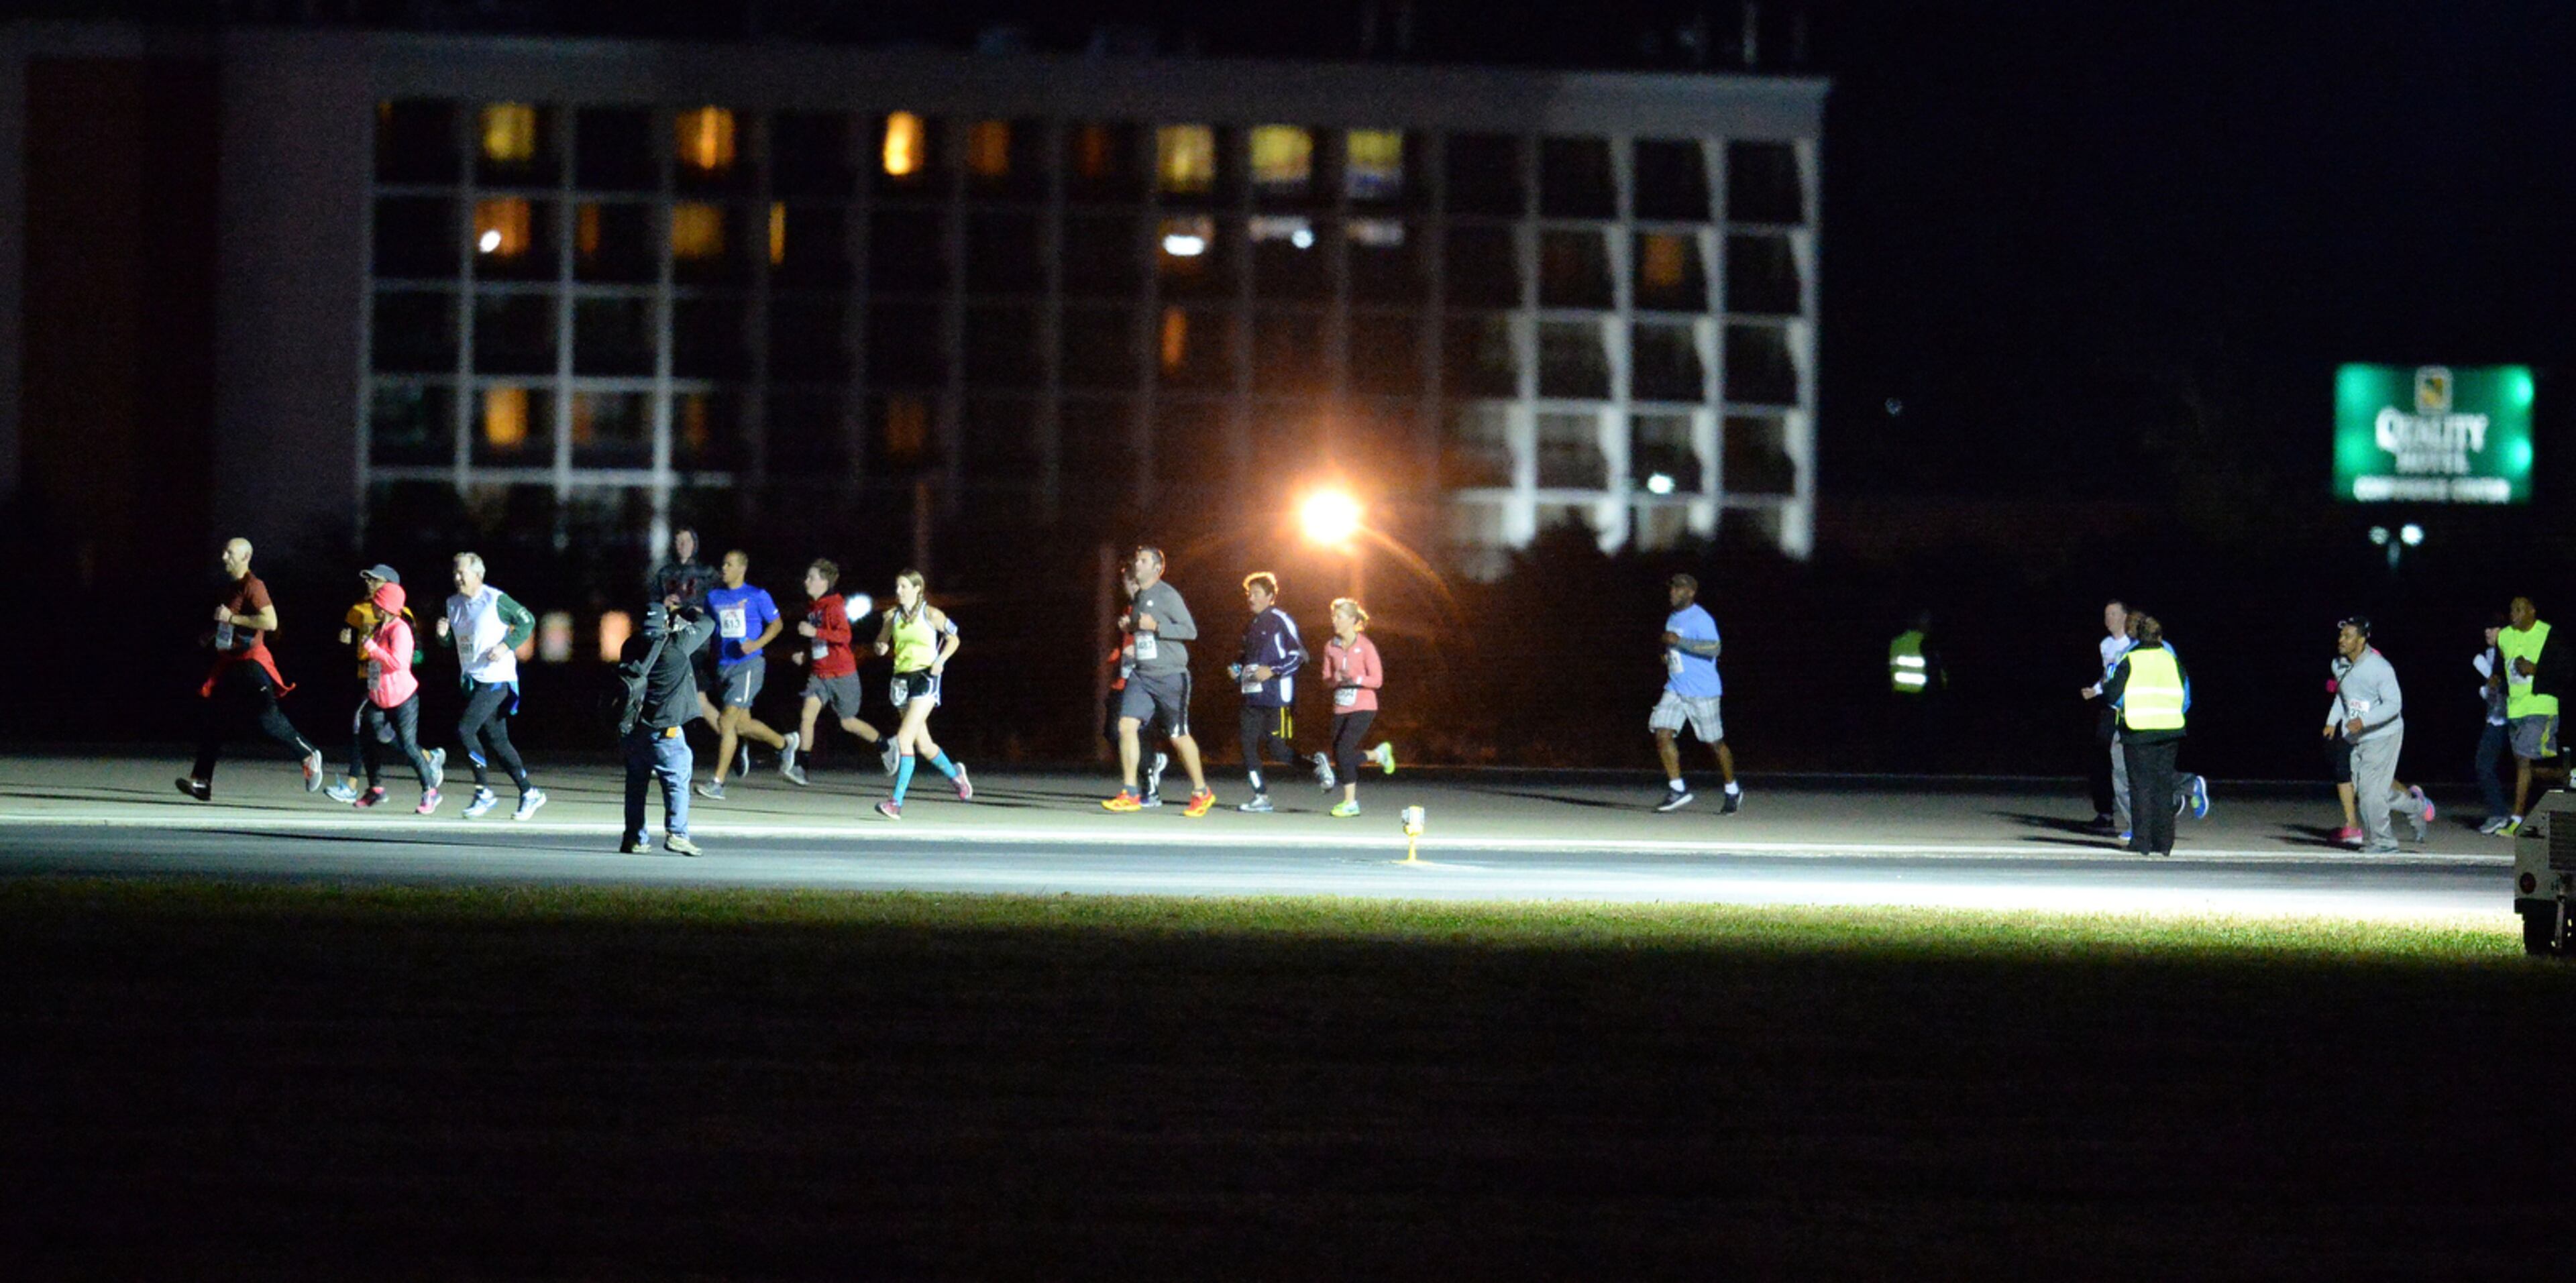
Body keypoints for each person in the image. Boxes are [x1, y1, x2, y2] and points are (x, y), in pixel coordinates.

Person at [179, 537, 325, 800]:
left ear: (246, 557)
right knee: (213, 722)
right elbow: (230, 622)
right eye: (224, 552)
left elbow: (270, 621)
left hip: (252, 663)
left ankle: (308, 753)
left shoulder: (254, 586)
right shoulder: (232, 588)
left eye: (230, 553)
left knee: (267, 719)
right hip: (232, 665)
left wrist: (231, 618)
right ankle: (201, 781)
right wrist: (212, 634)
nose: (224, 557)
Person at [1100, 545, 1215, 816]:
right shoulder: (1140, 596)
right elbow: (1143, 633)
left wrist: (1157, 627)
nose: (1136, 565)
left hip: (1170, 675)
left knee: (1178, 736)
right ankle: (1130, 792)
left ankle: (1202, 791)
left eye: (1142, 561)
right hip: (1142, 674)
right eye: (1136, 560)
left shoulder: (1167, 595)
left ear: (1156, 568)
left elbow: (1190, 631)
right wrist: (1131, 627)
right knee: (1125, 726)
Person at [436, 552, 546, 820]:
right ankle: (529, 792)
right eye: (455, 572)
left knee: (465, 729)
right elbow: (457, 642)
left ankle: (483, 791)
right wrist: (443, 638)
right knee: (498, 741)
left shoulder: (495, 600)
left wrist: (506, 645)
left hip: (498, 678)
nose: (457, 577)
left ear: (478, 575)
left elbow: (528, 620)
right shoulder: (452, 604)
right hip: (474, 680)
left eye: (462, 572)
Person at [326, 565, 444, 803]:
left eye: (374, 580)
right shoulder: (358, 609)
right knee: (370, 730)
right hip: (370, 676)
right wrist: (346, 642)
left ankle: (353, 785)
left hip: (395, 682)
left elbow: (411, 654)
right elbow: (351, 639)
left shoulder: (402, 616)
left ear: (389, 587)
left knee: (372, 730)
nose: (368, 584)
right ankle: (375, 783)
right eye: (367, 580)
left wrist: (395, 658)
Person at [782, 559, 895, 786]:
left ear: (824, 582)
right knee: (807, 716)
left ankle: (885, 745)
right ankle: (802, 768)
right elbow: (818, 641)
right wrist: (805, 654)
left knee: (848, 722)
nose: (806, 581)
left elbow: (845, 636)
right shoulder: (813, 606)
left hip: (842, 674)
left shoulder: (834, 605)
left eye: (811, 577)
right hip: (819, 674)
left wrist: (815, 630)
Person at [694, 550, 795, 799]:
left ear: (742, 569)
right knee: (742, 725)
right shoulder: (714, 597)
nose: (724, 569)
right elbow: (708, 624)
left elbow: (778, 624)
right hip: (724, 666)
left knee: (726, 722)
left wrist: (756, 643)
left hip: (749, 665)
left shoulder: (757, 596)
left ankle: (718, 782)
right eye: (723, 564)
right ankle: (784, 744)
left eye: (729, 564)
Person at [870, 569, 971, 819]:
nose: (898, 592)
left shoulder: (931, 614)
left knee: (904, 737)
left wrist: (942, 660)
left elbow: (954, 638)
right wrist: (880, 646)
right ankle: (956, 776)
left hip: (925, 679)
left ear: (917, 589)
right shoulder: (892, 616)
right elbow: (881, 645)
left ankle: (896, 802)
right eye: (897, 587)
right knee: (924, 745)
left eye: (904, 587)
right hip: (901, 681)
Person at [617, 602, 714, 856]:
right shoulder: (676, 645)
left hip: (634, 728)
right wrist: (685, 611)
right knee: (677, 781)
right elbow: (708, 624)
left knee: (636, 785)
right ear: (666, 625)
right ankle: (677, 835)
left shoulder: (630, 645)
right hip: (665, 729)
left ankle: (635, 838)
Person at [2322, 626, 2431, 844]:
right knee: (2370, 792)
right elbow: (2343, 696)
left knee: (2371, 793)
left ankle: (2383, 842)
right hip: (2357, 737)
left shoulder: (2379, 667)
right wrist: (2331, 721)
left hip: (2383, 734)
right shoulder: (2338, 664)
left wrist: (2364, 721)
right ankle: (2417, 807)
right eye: (2341, 635)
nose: (2341, 640)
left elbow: (2394, 705)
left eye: (2348, 636)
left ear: (2361, 640)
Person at [2100, 612, 2189, 856]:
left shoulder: (2131, 659)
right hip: (2170, 730)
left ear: (2138, 635)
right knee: (2163, 786)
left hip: (2138, 730)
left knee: (2141, 787)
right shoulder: (2171, 659)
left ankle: (2142, 842)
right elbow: (2186, 694)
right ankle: (2164, 843)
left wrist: (2128, 706)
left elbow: (2113, 695)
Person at [1652, 572, 1739, 814]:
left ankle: (1732, 789)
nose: (1673, 592)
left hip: (1702, 691)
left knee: (1714, 743)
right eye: (1671, 588)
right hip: (1676, 687)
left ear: (1690, 592)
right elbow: (1674, 646)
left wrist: (1680, 642)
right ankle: (1678, 789)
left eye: (1678, 589)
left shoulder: (1701, 618)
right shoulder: (1673, 617)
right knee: (1662, 733)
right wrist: (1668, 655)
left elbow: (1714, 649)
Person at [1232, 572, 1313, 814]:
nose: (1251, 598)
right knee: (1247, 745)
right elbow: (1244, 658)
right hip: (1252, 697)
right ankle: (1260, 795)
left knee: (1277, 749)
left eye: (1256, 594)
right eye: (1249, 594)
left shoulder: (1280, 619)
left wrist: (1274, 671)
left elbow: (1300, 656)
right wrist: (1236, 669)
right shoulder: (1251, 625)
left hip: (1277, 697)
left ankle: (1316, 768)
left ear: (1270, 596)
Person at [1318, 598, 1395, 818]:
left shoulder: (1366, 646)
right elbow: (1326, 680)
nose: (1334, 620)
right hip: (1341, 705)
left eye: (1339, 617)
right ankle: (1378, 754)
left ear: (1352, 620)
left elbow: (1377, 680)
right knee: (1339, 754)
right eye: (1333, 616)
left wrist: (1356, 678)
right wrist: (1336, 678)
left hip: (1364, 705)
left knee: (1343, 751)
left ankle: (1351, 803)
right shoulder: (1330, 647)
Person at [1102, 567, 1172, 807]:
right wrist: (1117, 653)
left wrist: (1141, 654)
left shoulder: (1152, 610)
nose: (1129, 587)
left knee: (1129, 731)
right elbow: (1124, 644)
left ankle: (1147, 786)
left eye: (1133, 583)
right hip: (1123, 680)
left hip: (1142, 682)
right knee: (1112, 732)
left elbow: (1166, 642)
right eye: (1127, 583)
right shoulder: (1128, 610)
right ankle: (1151, 762)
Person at [2498, 595, 2565, 836]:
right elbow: (2502, 666)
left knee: (2524, 762)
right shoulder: (2504, 636)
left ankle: (2517, 819)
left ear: (2532, 612)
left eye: (2519, 609)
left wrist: (2536, 669)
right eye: (2512, 609)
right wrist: (2496, 679)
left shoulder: (2548, 634)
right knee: (2524, 765)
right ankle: (2569, 774)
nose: (2514, 613)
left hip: (2540, 706)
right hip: (2515, 709)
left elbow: (2564, 669)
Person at [2080, 600, 2132, 832]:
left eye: (2113, 614)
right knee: (2100, 759)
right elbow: (2107, 675)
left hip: (2130, 710)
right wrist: (2096, 689)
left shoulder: (2134, 644)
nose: (2108, 619)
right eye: (2105, 614)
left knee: (2130, 764)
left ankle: (2142, 814)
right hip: (2110, 710)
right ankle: (2105, 813)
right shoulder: (2105, 645)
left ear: (2124, 617)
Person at [2475, 614, 2515, 834]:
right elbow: (2493, 695)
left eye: (2492, 628)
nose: (2487, 632)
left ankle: (2514, 817)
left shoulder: (2512, 651)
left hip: (2517, 717)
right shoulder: (2489, 655)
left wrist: (2495, 685)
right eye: (2486, 629)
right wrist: (2487, 690)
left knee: (2527, 767)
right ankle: (2499, 813)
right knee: (2484, 764)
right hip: (2497, 719)